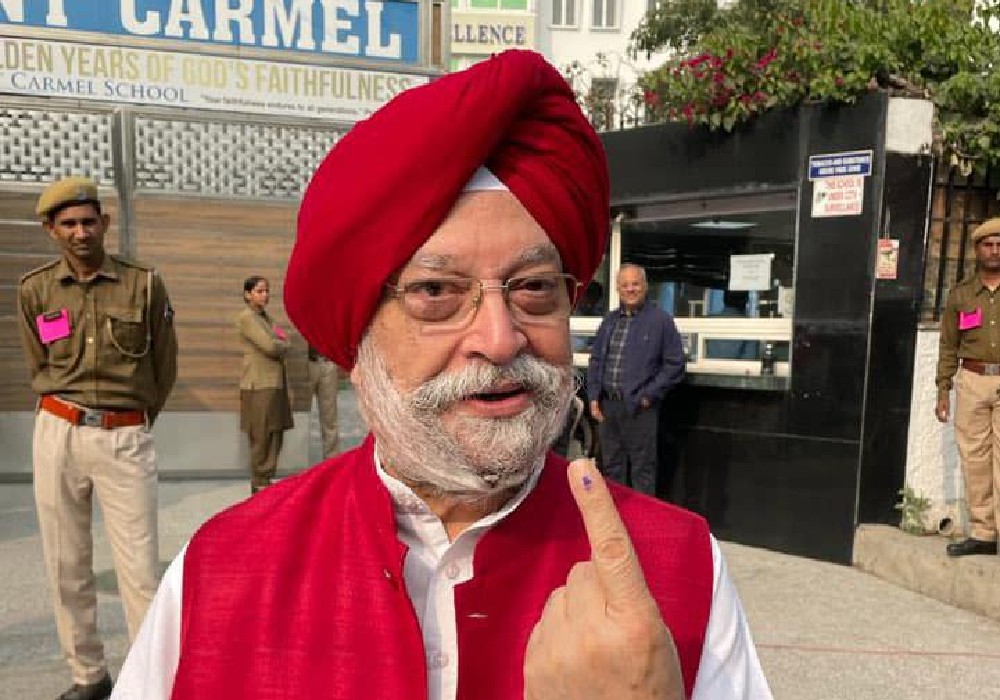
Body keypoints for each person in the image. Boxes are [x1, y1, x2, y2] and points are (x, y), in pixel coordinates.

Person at [112, 50, 771, 700]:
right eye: (436, 292)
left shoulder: (678, 565)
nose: (500, 337)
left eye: (535, 286)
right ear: (361, 331)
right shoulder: (224, 567)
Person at [16, 176, 178, 700]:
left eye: (89, 221)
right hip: (58, 429)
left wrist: (134, 417)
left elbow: (165, 364)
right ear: (51, 230)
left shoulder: (144, 285)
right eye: (68, 224)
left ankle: (147, 683)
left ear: (105, 224)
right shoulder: (36, 289)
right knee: (66, 564)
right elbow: (38, 359)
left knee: (138, 569)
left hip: (122, 436)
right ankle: (88, 675)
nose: (81, 232)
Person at [586, 263, 686, 497]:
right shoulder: (610, 320)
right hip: (608, 407)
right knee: (612, 467)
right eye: (625, 285)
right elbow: (597, 360)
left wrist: (648, 396)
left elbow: (675, 365)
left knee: (643, 471)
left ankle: (643, 527)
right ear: (618, 289)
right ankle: (618, 523)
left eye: (635, 284)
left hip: (640, 409)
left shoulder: (661, 320)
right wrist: (593, 397)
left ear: (645, 286)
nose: (630, 289)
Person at [936, 218, 1000, 557]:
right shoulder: (961, 294)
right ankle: (984, 534)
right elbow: (948, 345)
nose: (994, 250)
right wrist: (943, 390)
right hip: (972, 379)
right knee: (974, 459)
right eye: (988, 244)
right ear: (977, 249)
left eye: (999, 245)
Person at [237, 276, 294, 494]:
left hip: (275, 384)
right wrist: (283, 344)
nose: (265, 295)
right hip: (258, 384)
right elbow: (270, 346)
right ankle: (259, 481)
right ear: (247, 294)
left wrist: (282, 343)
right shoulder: (247, 317)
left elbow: (279, 342)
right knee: (261, 434)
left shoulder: (267, 319)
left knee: (275, 432)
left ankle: (266, 479)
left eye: (267, 291)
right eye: (260, 291)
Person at [307, 343, 341, 458]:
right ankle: (297, 460)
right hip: (307, 363)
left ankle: (332, 459)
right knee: (300, 415)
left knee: (329, 416)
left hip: (328, 363)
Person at [706, 290, 758, 360]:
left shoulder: (709, 321)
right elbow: (749, 359)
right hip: (736, 369)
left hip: (707, 368)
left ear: (724, 299)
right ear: (745, 301)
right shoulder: (749, 325)